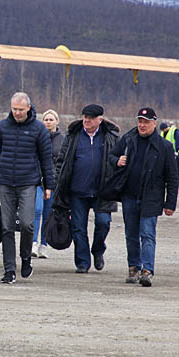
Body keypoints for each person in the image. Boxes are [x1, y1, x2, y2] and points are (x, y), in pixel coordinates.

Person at [0, 92, 55, 284]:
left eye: (20, 110)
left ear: (28, 109)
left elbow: (46, 160)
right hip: (6, 182)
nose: (16, 113)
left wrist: (49, 185)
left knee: (26, 223)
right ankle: (9, 269)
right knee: (7, 227)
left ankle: (25, 258)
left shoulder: (39, 129)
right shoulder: (2, 127)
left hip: (28, 183)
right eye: (14, 109)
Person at [107, 107, 178, 287]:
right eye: (140, 121)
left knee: (147, 234)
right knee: (131, 234)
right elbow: (111, 155)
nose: (142, 125)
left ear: (154, 123)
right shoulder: (129, 139)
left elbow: (172, 177)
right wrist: (117, 160)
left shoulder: (165, 147)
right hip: (130, 195)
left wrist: (170, 203)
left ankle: (147, 270)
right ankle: (134, 267)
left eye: (146, 122)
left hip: (151, 197)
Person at [53, 104, 120, 273]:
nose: (87, 120)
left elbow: (118, 160)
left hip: (103, 191)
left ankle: (98, 250)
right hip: (77, 191)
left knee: (103, 223)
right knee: (78, 227)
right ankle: (82, 262)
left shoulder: (110, 136)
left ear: (100, 119)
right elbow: (61, 160)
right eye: (85, 117)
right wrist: (58, 181)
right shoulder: (73, 135)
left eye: (91, 118)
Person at [32, 109, 64, 259]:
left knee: (48, 213)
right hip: (37, 179)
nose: (48, 122)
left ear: (57, 121)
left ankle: (44, 245)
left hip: (54, 182)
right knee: (37, 210)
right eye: (46, 119)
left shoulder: (63, 140)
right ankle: (33, 242)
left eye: (51, 119)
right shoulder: (37, 136)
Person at [160, 121, 179, 188]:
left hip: (174, 152)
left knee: (176, 167)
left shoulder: (174, 131)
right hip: (166, 153)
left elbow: (177, 141)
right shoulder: (162, 133)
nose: (163, 131)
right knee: (166, 168)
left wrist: (177, 151)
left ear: (166, 128)